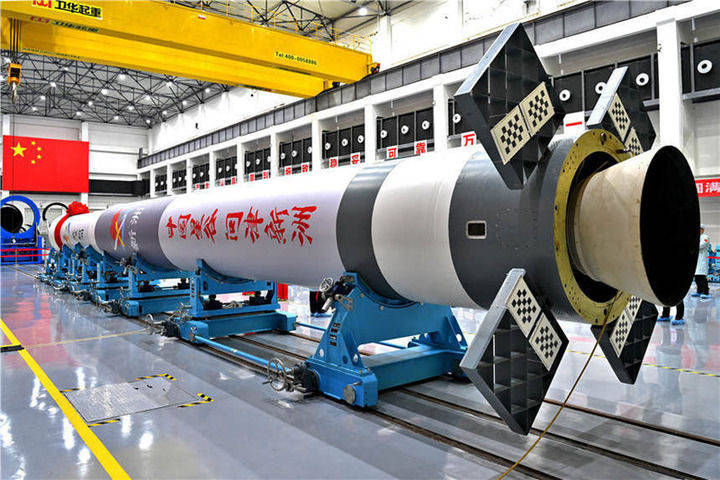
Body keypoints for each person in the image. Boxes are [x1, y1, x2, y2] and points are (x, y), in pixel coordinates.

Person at [691, 225, 711, 299]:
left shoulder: (705, 237)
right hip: (696, 261)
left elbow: (701, 245)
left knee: (702, 277)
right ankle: (699, 291)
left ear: (702, 230)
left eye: (700, 229)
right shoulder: (696, 237)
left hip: (702, 261)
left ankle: (706, 292)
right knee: (697, 277)